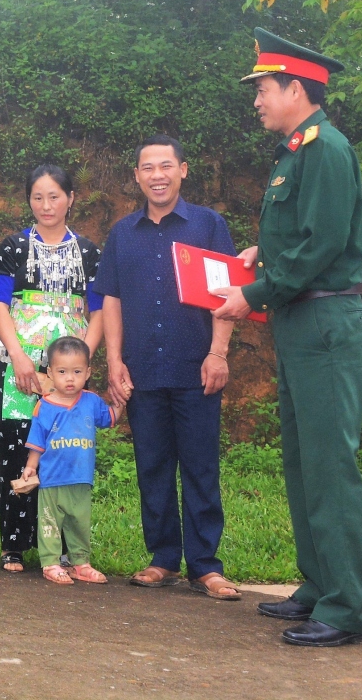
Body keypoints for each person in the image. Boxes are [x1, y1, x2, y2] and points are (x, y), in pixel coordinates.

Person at [213, 28, 362, 647]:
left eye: (263, 87)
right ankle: (319, 586)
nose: (255, 98)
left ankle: (349, 608)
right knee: (304, 461)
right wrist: (263, 254)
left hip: (326, 320)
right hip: (301, 318)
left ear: (296, 88)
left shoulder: (325, 149)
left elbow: (325, 245)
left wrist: (251, 294)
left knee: (331, 465)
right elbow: (303, 238)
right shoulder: (295, 152)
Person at [95, 134, 241, 601]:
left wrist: (218, 353)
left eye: (165, 166)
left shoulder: (208, 225)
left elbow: (226, 294)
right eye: (147, 168)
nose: (157, 175)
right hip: (142, 370)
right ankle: (163, 558)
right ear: (136, 176)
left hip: (196, 367)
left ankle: (205, 565)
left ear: (183, 170)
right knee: (151, 466)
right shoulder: (122, 233)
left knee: (200, 466)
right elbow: (111, 300)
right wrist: (114, 361)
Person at [0, 165, 102, 573]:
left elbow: (100, 309)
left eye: (54, 196)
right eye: (37, 197)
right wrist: (16, 355)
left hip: (69, 372)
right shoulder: (13, 247)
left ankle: (66, 548)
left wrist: (82, 360)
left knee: (66, 453)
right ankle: (14, 544)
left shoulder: (88, 252)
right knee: (16, 449)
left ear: (71, 198)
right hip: (19, 367)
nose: (46, 205)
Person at [20, 337, 120, 585]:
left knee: (79, 523)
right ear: (51, 373)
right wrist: (31, 466)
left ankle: (80, 564)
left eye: (77, 372)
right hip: (52, 479)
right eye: (62, 372)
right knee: (50, 523)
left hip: (81, 478)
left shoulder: (91, 401)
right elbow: (37, 442)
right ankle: (51, 563)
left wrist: (122, 401)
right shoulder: (44, 406)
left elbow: (109, 419)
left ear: (88, 372)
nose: (70, 378)